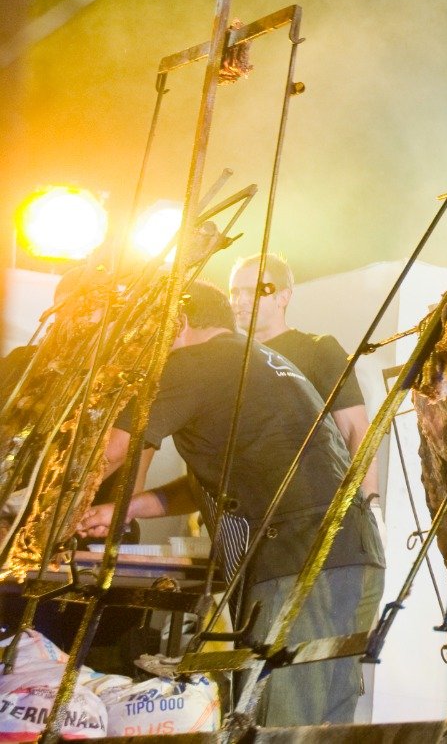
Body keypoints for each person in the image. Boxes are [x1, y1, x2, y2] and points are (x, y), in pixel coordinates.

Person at [79, 282, 384, 726]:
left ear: (179, 323)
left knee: (280, 726)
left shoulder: (191, 362)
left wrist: (47, 517)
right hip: (346, 555)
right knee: (319, 725)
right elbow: (217, 478)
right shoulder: (252, 361)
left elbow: (111, 451)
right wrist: (127, 509)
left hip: (302, 562)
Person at [229, 255, 377, 501]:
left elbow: (356, 429)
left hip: (308, 504)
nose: (241, 300)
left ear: (283, 297)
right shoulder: (229, 361)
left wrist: (369, 503)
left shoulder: (318, 350)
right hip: (244, 506)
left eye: (253, 291)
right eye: (235, 292)